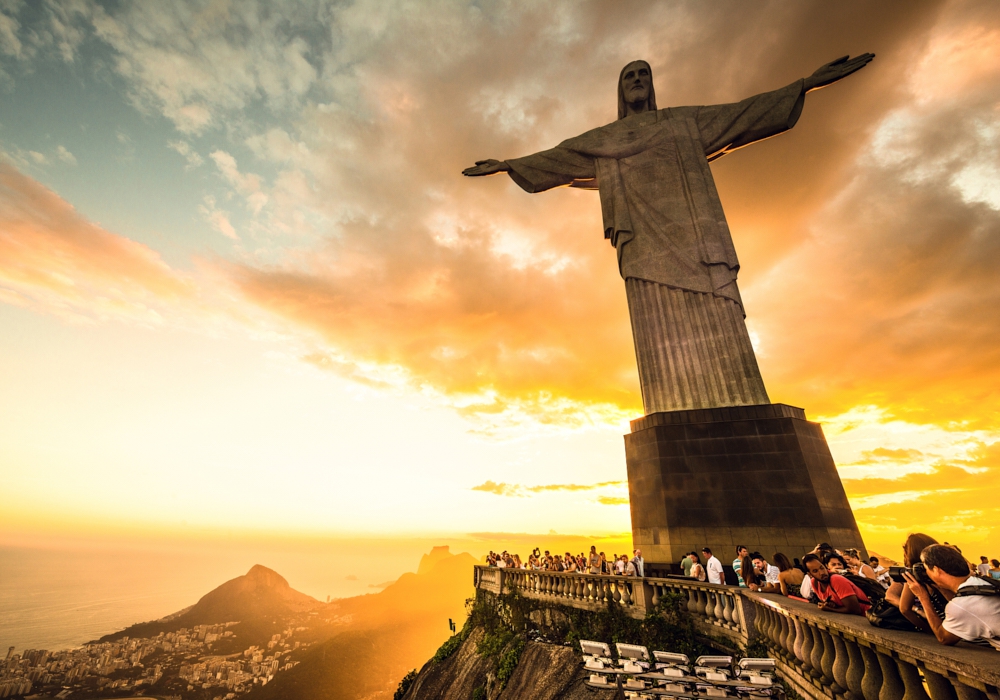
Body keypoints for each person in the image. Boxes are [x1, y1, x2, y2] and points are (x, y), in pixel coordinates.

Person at [903, 544, 1000, 650]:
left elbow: (944, 637)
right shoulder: (982, 582)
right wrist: (940, 585)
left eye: (926, 569)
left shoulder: (962, 605)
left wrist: (923, 597)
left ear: (936, 570)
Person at [803, 553, 871, 616]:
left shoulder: (836, 579)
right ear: (810, 574)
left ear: (825, 566)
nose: (821, 573)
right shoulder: (815, 583)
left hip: (866, 618)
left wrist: (830, 609)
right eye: (815, 571)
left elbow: (855, 609)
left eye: (822, 568)